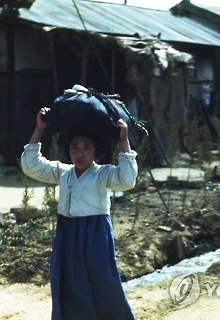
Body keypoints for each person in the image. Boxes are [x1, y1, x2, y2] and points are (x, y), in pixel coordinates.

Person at [20, 106, 137, 320]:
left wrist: (124, 141)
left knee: (102, 282)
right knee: (67, 283)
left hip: (95, 234)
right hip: (67, 233)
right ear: (68, 151)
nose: (80, 153)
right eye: (75, 147)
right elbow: (31, 166)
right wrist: (39, 129)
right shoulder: (63, 172)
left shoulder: (103, 174)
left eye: (86, 147)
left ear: (96, 151)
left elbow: (127, 180)